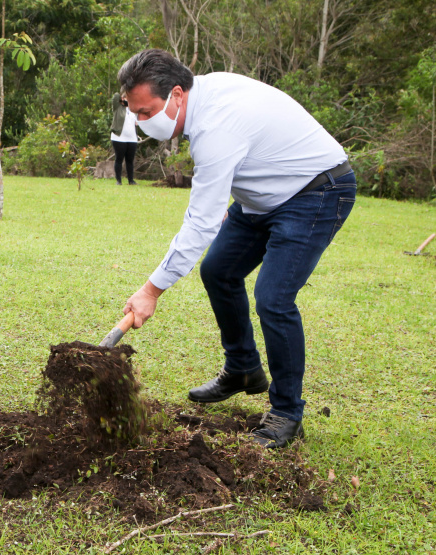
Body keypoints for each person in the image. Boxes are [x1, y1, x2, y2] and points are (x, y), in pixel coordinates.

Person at [117, 49, 356, 449]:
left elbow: (201, 222)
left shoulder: (216, 128)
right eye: (135, 114)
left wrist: (151, 291)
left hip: (317, 191)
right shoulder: (205, 95)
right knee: (219, 270)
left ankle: (286, 414)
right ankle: (243, 369)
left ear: (177, 94)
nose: (142, 123)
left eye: (147, 112)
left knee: (274, 298)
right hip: (261, 198)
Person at [110, 92, 138, 185]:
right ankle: (119, 180)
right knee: (119, 159)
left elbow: (138, 122)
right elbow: (115, 96)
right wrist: (123, 95)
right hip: (119, 138)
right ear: (122, 98)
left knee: (129, 160)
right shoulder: (118, 108)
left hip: (132, 138)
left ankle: (131, 180)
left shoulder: (133, 110)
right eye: (127, 98)